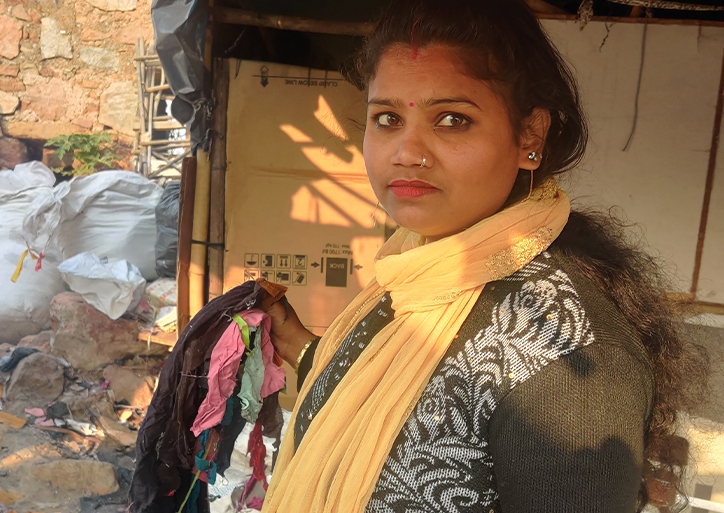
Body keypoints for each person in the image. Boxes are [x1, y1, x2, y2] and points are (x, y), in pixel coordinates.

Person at [261, 1, 708, 511]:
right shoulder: (416, 270)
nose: (407, 151)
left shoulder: (562, 351)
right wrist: (297, 343)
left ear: (529, 137)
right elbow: (380, 389)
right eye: (386, 118)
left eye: (452, 119)